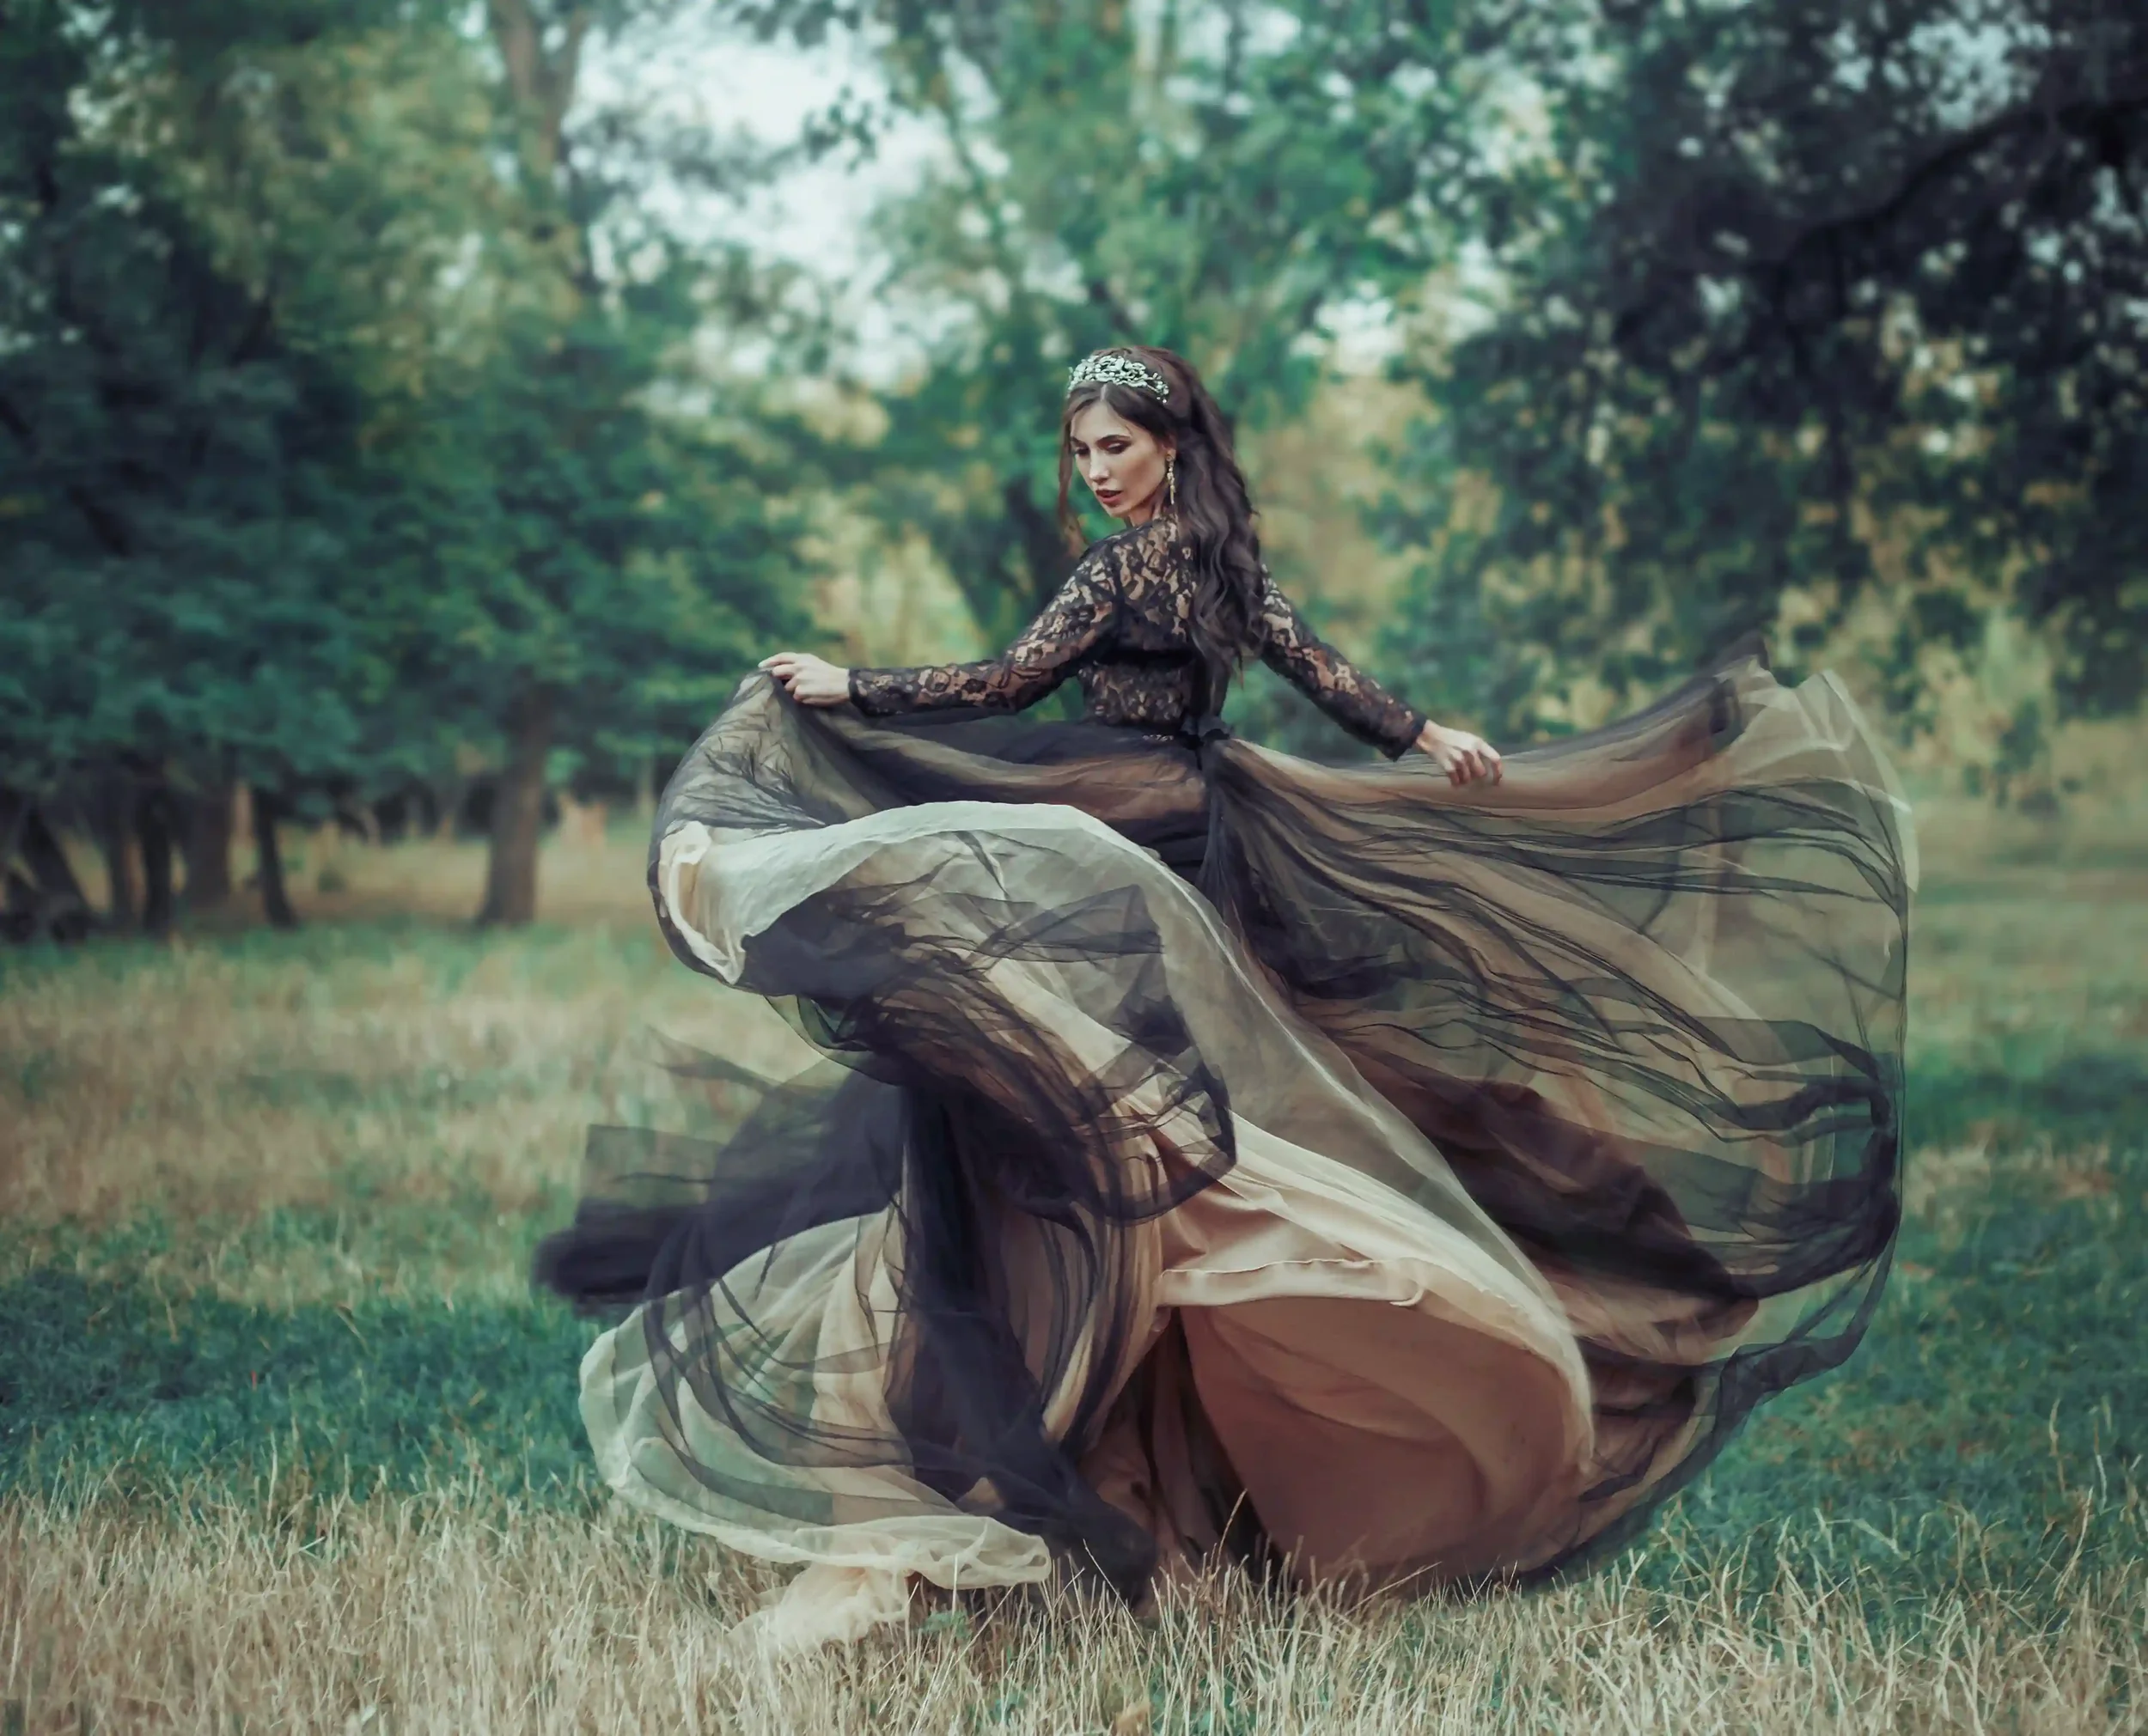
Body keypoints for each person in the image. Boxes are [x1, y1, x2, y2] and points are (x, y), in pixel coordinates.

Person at [536, 345, 1914, 1649]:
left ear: (1172, 447)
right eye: (1082, 452)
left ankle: (1064, 1474)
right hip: (1196, 837)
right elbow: (1321, 673)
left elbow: (1011, 681)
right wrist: (1421, 732)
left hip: (1132, 855)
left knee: (1086, 1150)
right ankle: (1147, 1485)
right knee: (1153, 1145)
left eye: (1116, 447)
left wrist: (855, 689)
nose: (1097, 472)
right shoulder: (1227, 566)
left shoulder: (1127, 568)